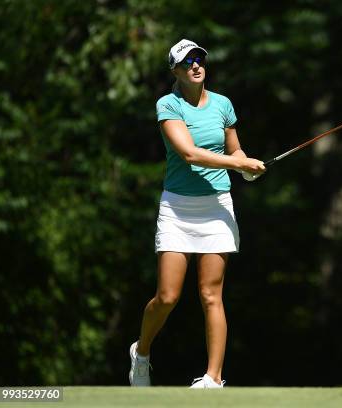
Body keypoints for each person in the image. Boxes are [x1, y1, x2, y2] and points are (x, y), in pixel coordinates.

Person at [128, 39, 266, 388]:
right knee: (168, 296)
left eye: (199, 58)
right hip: (177, 207)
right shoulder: (168, 105)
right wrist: (237, 163)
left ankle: (214, 379)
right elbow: (189, 153)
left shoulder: (222, 104)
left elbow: (235, 149)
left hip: (217, 205)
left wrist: (246, 167)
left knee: (210, 294)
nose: (195, 65)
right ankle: (141, 353)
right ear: (175, 71)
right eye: (187, 61)